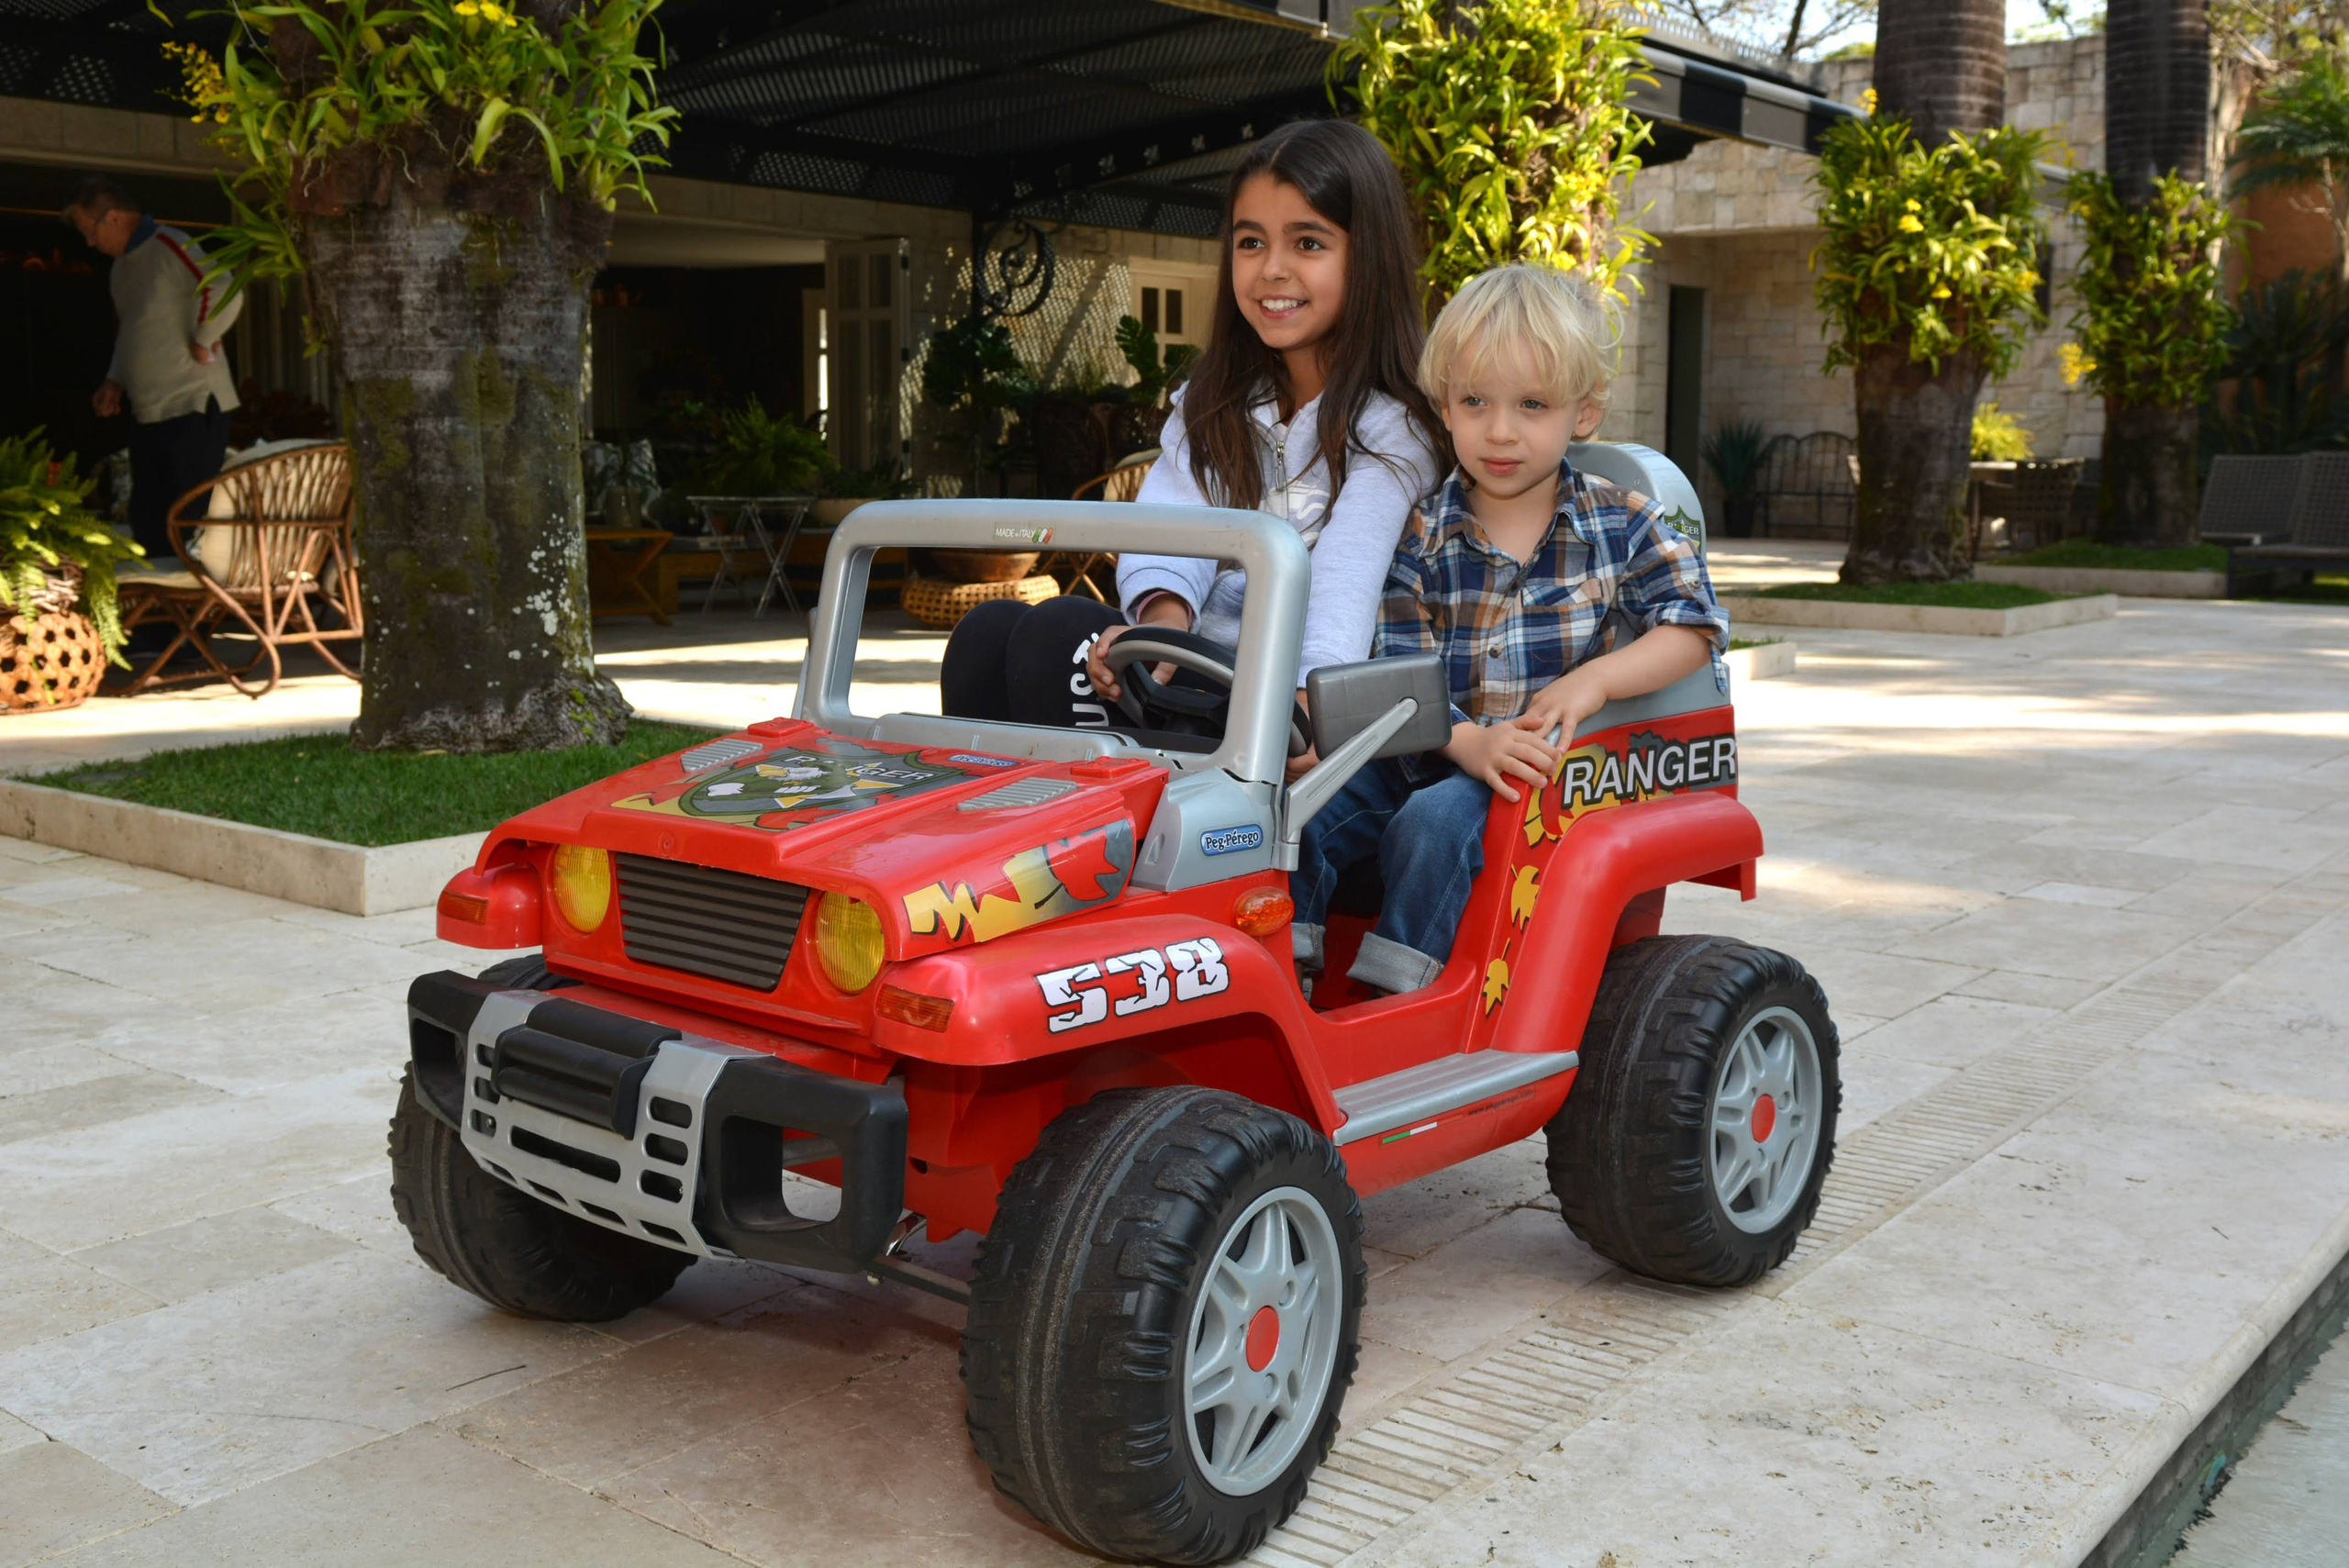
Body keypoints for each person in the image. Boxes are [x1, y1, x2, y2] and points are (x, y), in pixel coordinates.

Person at [941, 119, 1446, 778]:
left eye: (1309, 242)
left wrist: (1309, 701)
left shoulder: (1393, 428)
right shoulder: (1215, 401)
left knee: (1052, 632)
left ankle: (1094, 854)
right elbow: (1172, 524)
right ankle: (992, 842)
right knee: (983, 637)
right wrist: (1162, 627)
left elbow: (1346, 579)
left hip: (1295, 707)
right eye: (1251, 241)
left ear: (1368, 256)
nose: (1272, 269)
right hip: (1200, 676)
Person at [1292, 264, 1730, 999]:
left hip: (1542, 778)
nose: (1500, 430)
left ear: (1583, 412)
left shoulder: (1621, 524)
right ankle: (1291, 971)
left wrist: (1592, 681)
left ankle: (1402, 998)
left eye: (1532, 404)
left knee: (1434, 823)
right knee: (1295, 807)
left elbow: (1693, 626)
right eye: (1476, 401)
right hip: (1430, 750)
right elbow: (1398, 663)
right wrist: (1467, 741)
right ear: (1445, 408)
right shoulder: (1422, 530)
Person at [64, 174, 244, 562]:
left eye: (90, 231)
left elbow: (228, 287)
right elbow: (132, 332)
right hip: (148, 413)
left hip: (193, 406)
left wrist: (203, 337)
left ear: (112, 217)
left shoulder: (172, 245)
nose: (89, 242)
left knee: (190, 523)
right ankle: (160, 620)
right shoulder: (118, 270)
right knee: (148, 520)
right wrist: (115, 379)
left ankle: (199, 618)